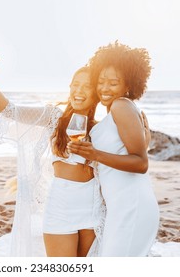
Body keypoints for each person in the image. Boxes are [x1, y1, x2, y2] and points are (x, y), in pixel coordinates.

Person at [0, 57, 103, 256]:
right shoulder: (54, 118)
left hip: (92, 209)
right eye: (75, 85)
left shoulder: (101, 129)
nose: (79, 91)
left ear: (97, 93)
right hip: (60, 208)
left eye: (87, 86)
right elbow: (10, 111)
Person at [68, 41, 160, 256]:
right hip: (120, 205)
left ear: (128, 84)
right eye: (100, 81)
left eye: (113, 83)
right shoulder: (113, 113)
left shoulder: (121, 106)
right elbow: (127, 149)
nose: (104, 88)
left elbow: (141, 163)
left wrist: (95, 154)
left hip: (132, 204)